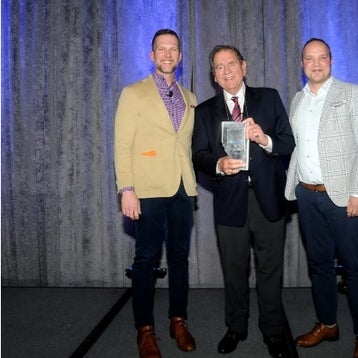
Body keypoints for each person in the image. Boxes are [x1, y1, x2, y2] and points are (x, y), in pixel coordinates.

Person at [192, 45, 297, 358]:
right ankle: (236, 327)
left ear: (244, 65)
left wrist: (264, 139)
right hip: (230, 204)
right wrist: (217, 165)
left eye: (231, 63)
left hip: (268, 202)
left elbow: (289, 144)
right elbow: (198, 155)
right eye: (219, 67)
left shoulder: (270, 97)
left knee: (270, 271)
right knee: (234, 271)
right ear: (214, 75)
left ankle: (274, 331)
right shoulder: (205, 111)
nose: (226, 70)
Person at [284, 38, 358, 358]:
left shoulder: (353, 94)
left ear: (331, 60)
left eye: (321, 57)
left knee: (355, 268)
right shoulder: (297, 100)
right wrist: (293, 187)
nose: (315, 63)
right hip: (308, 197)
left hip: (345, 198)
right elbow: (297, 148)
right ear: (302, 64)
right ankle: (327, 324)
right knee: (319, 265)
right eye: (309, 59)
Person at [114, 29, 197, 358]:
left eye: (173, 49)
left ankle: (178, 321)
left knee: (179, 259)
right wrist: (127, 189)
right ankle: (145, 330)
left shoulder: (190, 97)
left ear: (179, 55)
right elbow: (122, 145)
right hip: (146, 189)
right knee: (145, 259)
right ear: (152, 55)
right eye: (161, 49)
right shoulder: (133, 93)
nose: (167, 54)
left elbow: (187, 145)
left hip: (182, 188)